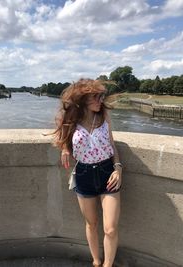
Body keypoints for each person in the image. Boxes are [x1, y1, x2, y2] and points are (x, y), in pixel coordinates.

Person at [53, 78, 122, 267]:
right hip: (83, 174)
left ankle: (108, 265)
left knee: (110, 229)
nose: (100, 100)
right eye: (96, 97)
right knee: (91, 224)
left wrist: (118, 169)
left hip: (108, 172)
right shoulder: (72, 120)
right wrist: (66, 149)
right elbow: (64, 139)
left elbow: (112, 145)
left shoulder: (103, 117)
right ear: (82, 100)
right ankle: (96, 261)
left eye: (101, 96)